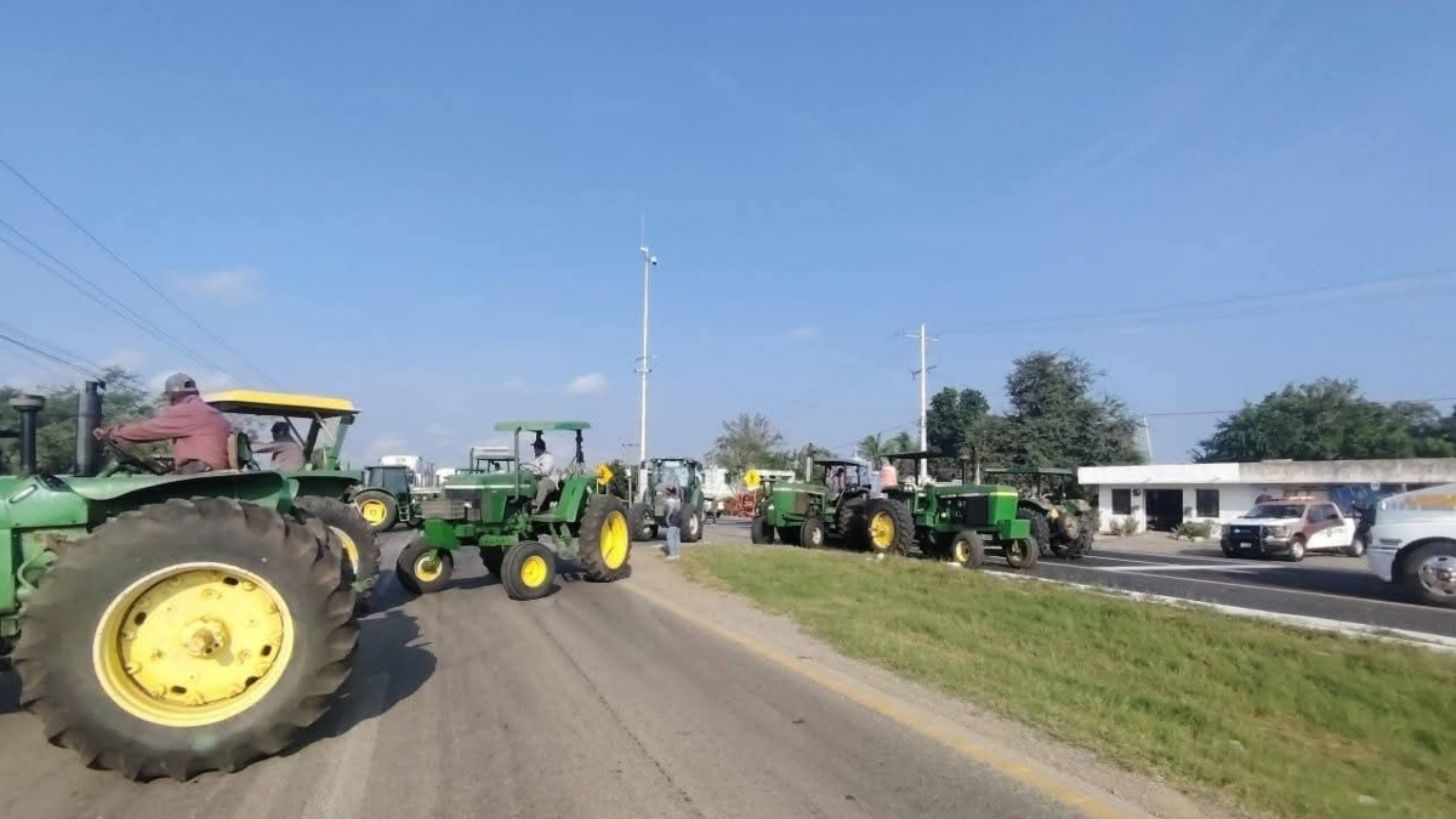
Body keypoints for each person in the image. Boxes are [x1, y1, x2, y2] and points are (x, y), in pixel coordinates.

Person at [95, 372, 232, 473]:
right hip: (211, 469)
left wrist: (112, 433)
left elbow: (147, 430)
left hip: (198, 470)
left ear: (172, 395)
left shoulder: (187, 411)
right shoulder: (211, 413)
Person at [523, 436, 557, 510]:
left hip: (550, 481)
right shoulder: (536, 457)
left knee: (543, 484)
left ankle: (535, 507)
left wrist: (534, 472)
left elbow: (545, 471)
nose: (534, 449)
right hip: (537, 479)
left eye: (535, 447)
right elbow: (531, 467)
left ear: (538, 448)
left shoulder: (548, 457)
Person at [664, 484, 683, 560]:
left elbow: (671, 510)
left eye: (667, 490)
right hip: (678, 520)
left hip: (672, 519)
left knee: (670, 537)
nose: (666, 491)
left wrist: (667, 518)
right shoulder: (678, 500)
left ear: (669, 491)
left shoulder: (670, 500)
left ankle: (672, 554)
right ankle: (677, 554)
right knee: (677, 537)